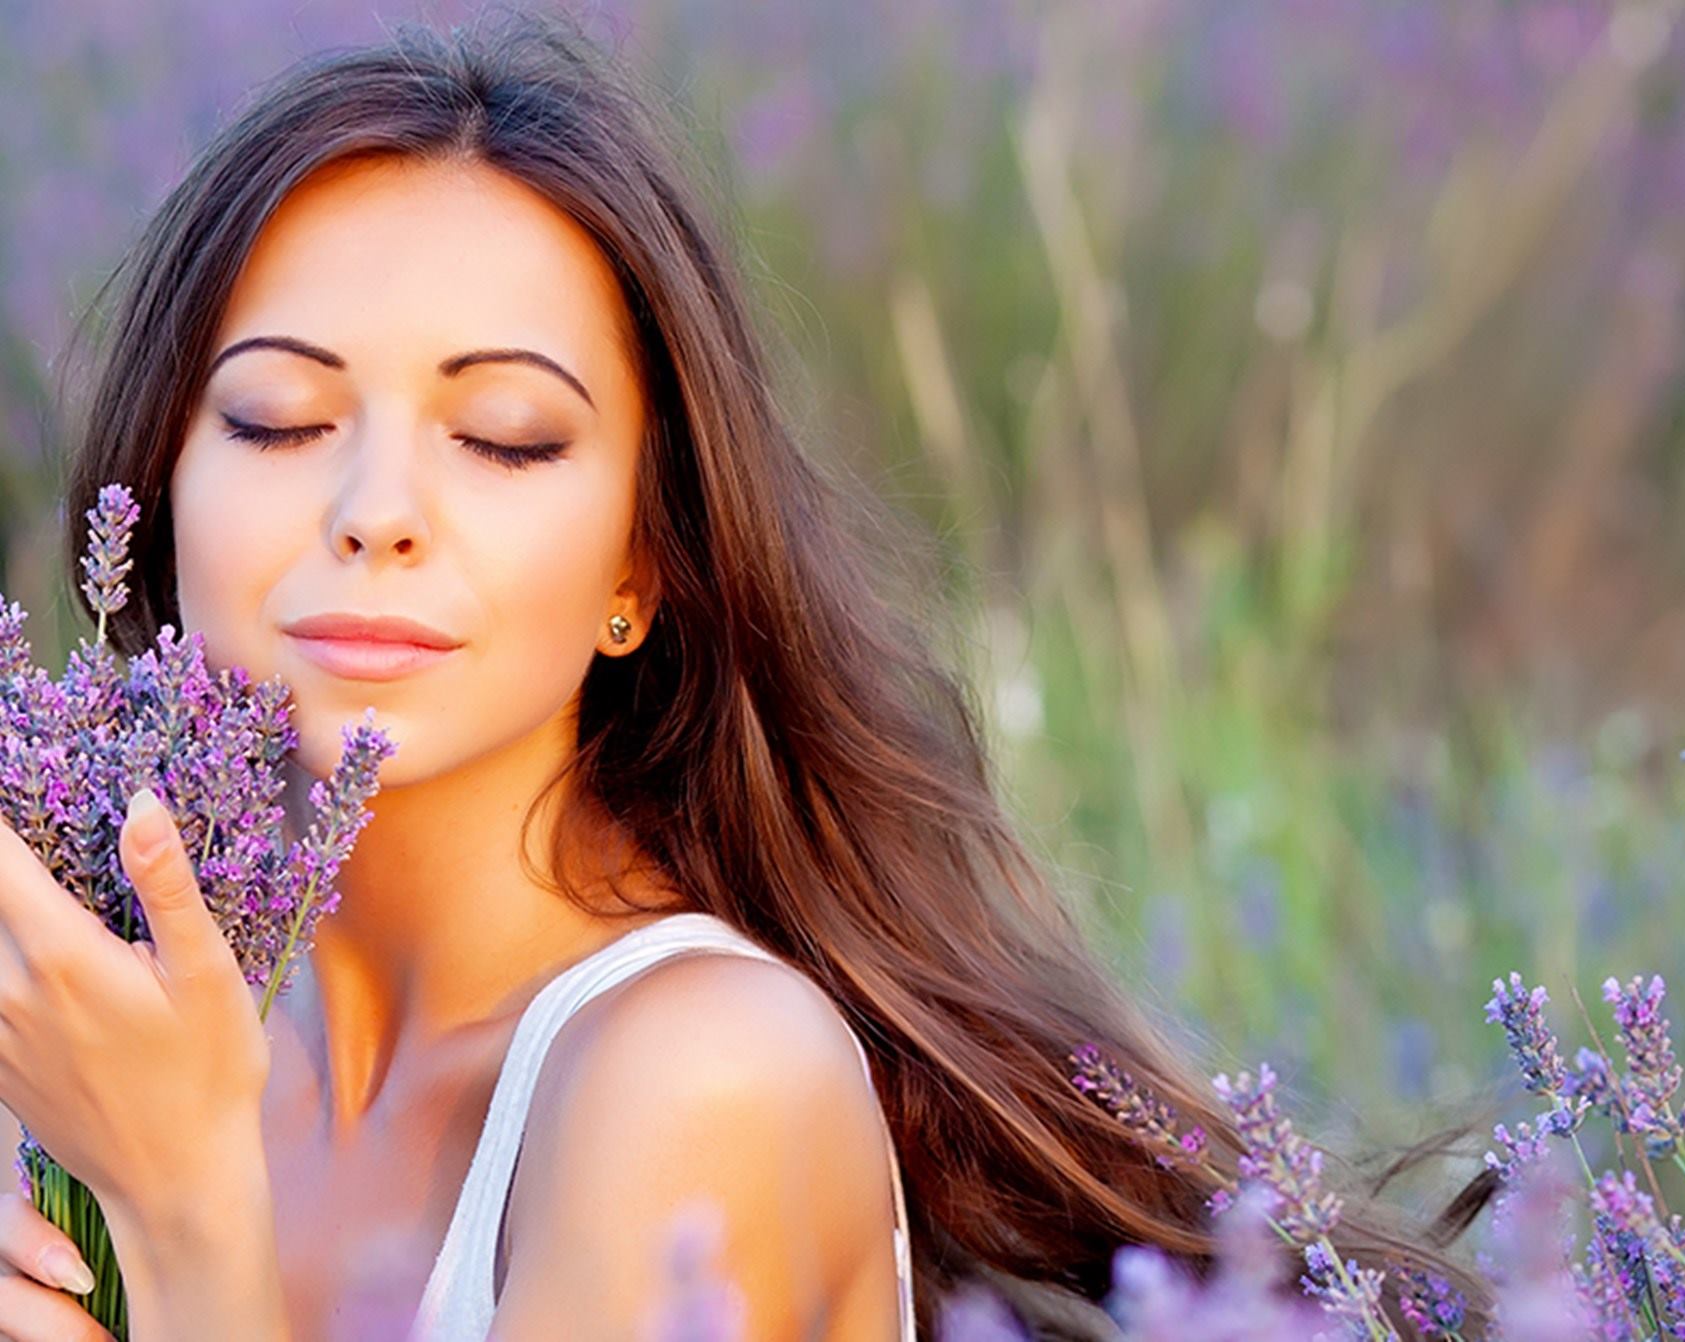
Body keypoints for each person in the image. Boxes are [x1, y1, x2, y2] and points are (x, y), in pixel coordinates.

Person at [0, 10, 1494, 1341]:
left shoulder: (700, 1073)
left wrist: (187, 1210)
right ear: (158, 492)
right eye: (276, 417)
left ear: (638, 569)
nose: (374, 506)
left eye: (506, 434)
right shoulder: (125, 1053)